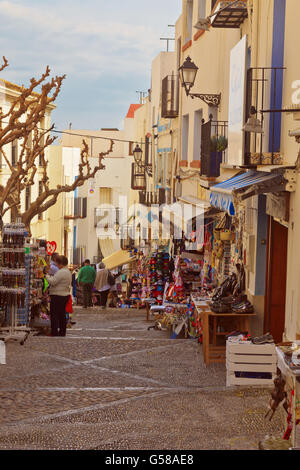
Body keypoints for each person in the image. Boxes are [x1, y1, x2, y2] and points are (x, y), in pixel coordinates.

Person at [47, 255, 72, 337]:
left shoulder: (61, 272)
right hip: (64, 295)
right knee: (61, 314)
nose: (56, 265)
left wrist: (46, 276)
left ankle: (54, 332)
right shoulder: (67, 271)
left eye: (57, 263)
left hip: (58, 295)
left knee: (54, 314)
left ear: (61, 263)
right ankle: (62, 331)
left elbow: (53, 281)